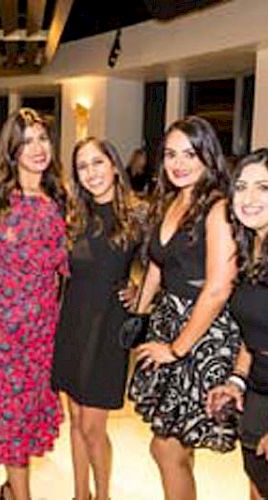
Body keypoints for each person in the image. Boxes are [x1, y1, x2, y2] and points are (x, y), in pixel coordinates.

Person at [128, 115, 241, 500]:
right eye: (171, 154)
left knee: (165, 446)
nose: (178, 163)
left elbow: (218, 288)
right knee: (177, 444)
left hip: (202, 336)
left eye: (189, 154)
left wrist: (177, 349)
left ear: (209, 156)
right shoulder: (172, 200)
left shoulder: (219, 208)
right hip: (169, 322)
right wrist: (139, 317)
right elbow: (157, 266)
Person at [0, 108, 72, 500]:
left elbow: (71, 264)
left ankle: (11, 489)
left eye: (43, 138)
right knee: (8, 410)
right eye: (26, 141)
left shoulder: (59, 198)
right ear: (11, 148)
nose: (38, 148)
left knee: (28, 410)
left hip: (43, 325)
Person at [51, 137, 143, 500]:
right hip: (72, 320)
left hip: (108, 326)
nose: (92, 173)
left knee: (92, 425)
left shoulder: (138, 214)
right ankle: (80, 494)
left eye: (98, 163)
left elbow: (163, 265)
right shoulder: (74, 215)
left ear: (114, 164)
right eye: (83, 167)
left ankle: (102, 496)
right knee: (75, 420)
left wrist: (140, 292)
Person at [207, 149, 268, 499]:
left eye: (263, 188)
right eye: (242, 186)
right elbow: (254, 333)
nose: (249, 198)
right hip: (257, 391)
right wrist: (236, 380)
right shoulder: (251, 251)